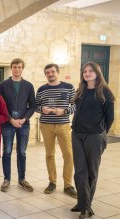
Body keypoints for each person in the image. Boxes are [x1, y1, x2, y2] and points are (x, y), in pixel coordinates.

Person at [71, 61, 114, 219]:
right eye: (85, 71)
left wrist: (100, 134)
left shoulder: (105, 92)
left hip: (94, 136)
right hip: (77, 134)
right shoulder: (80, 91)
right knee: (80, 171)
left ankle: (85, 206)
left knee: (91, 172)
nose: (87, 73)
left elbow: (110, 118)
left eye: (90, 71)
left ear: (97, 73)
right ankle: (83, 203)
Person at [35, 63, 77, 198]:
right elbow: (35, 106)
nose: (50, 74)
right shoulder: (41, 89)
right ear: (45, 74)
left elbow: (76, 105)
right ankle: (52, 182)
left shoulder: (69, 87)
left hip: (63, 125)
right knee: (49, 154)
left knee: (69, 155)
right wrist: (42, 109)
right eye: (47, 72)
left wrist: (64, 111)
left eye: (53, 72)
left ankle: (68, 185)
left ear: (57, 72)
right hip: (46, 125)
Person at [0, 58, 35, 193]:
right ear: (11, 68)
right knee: (7, 151)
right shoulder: (3, 85)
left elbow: (33, 106)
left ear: (22, 68)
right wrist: (10, 119)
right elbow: (0, 106)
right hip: (8, 123)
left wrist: (24, 119)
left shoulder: (28, 86)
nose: (17, 69)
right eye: (14, 67)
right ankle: (6, 179)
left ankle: (22, 180)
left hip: (23, 124)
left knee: (22, 152)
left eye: (19, 67)